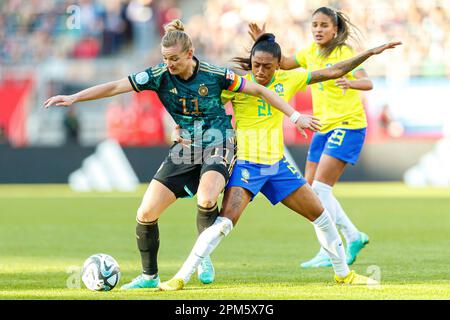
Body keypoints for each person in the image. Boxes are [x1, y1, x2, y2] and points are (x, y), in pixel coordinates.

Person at [43, 19, 320, 290]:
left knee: (208, 195)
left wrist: (295, 116)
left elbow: (259, 89)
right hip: (186, 147)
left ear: (190, 54)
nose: (169, 64)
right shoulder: (158, 76)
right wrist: (74, 98)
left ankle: (203, 258)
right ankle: (149, 276)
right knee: (146, 212)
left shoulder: (215, 75)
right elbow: (116, 86)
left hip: (218, 141)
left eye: (174, 59)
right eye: (165, 58)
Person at [158, 33, 401, 290]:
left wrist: (369, 53)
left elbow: (334, 71)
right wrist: (180, 126)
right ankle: (181, 277)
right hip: (247, 165)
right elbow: (202, 107)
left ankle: (343, 274)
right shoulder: (239, 85)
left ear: (278, 65)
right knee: (224, 224)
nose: (260, 71)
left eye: (266, 65)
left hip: (277, 166)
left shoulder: (291, 78)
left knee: (322, 217)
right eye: (256, 64)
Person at [248, 7, 377, 268]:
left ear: (336, 30)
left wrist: (350, 82)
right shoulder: (309, 53)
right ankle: (338, 243)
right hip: (323, 127)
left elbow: (368, 83)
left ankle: (347, 239)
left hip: (348, 124)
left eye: (324, 25)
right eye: (315, 25)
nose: (318, 29)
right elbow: (282, 63)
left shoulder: (344, 54)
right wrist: (263, 40)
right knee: (310, 191)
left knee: (320, 188)